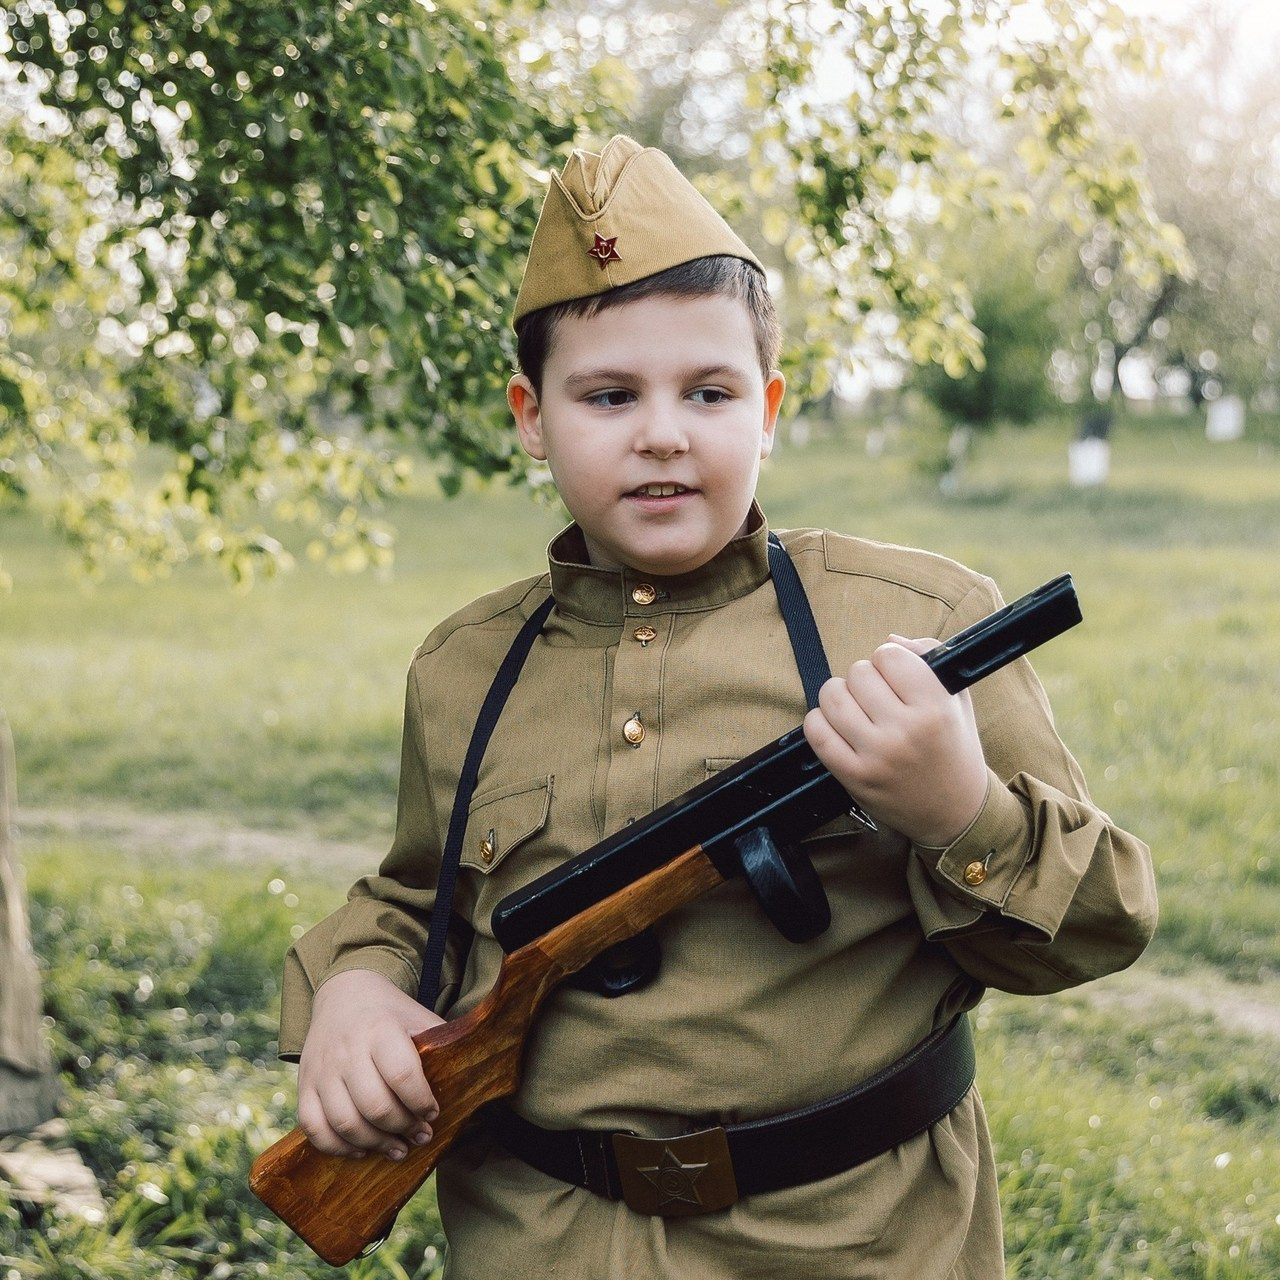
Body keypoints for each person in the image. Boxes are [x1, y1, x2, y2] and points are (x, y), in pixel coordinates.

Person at [277, 136, 1157, 1278]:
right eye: (608, 395)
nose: (662, 432)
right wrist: (354, 992)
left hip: (854, 1244)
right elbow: (415, 899)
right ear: (530, 415)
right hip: (541, 1240)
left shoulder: (918, 624)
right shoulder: (463, 669)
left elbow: (1098, 926)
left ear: (769, 409)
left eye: (709, 391)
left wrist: (957, 810)